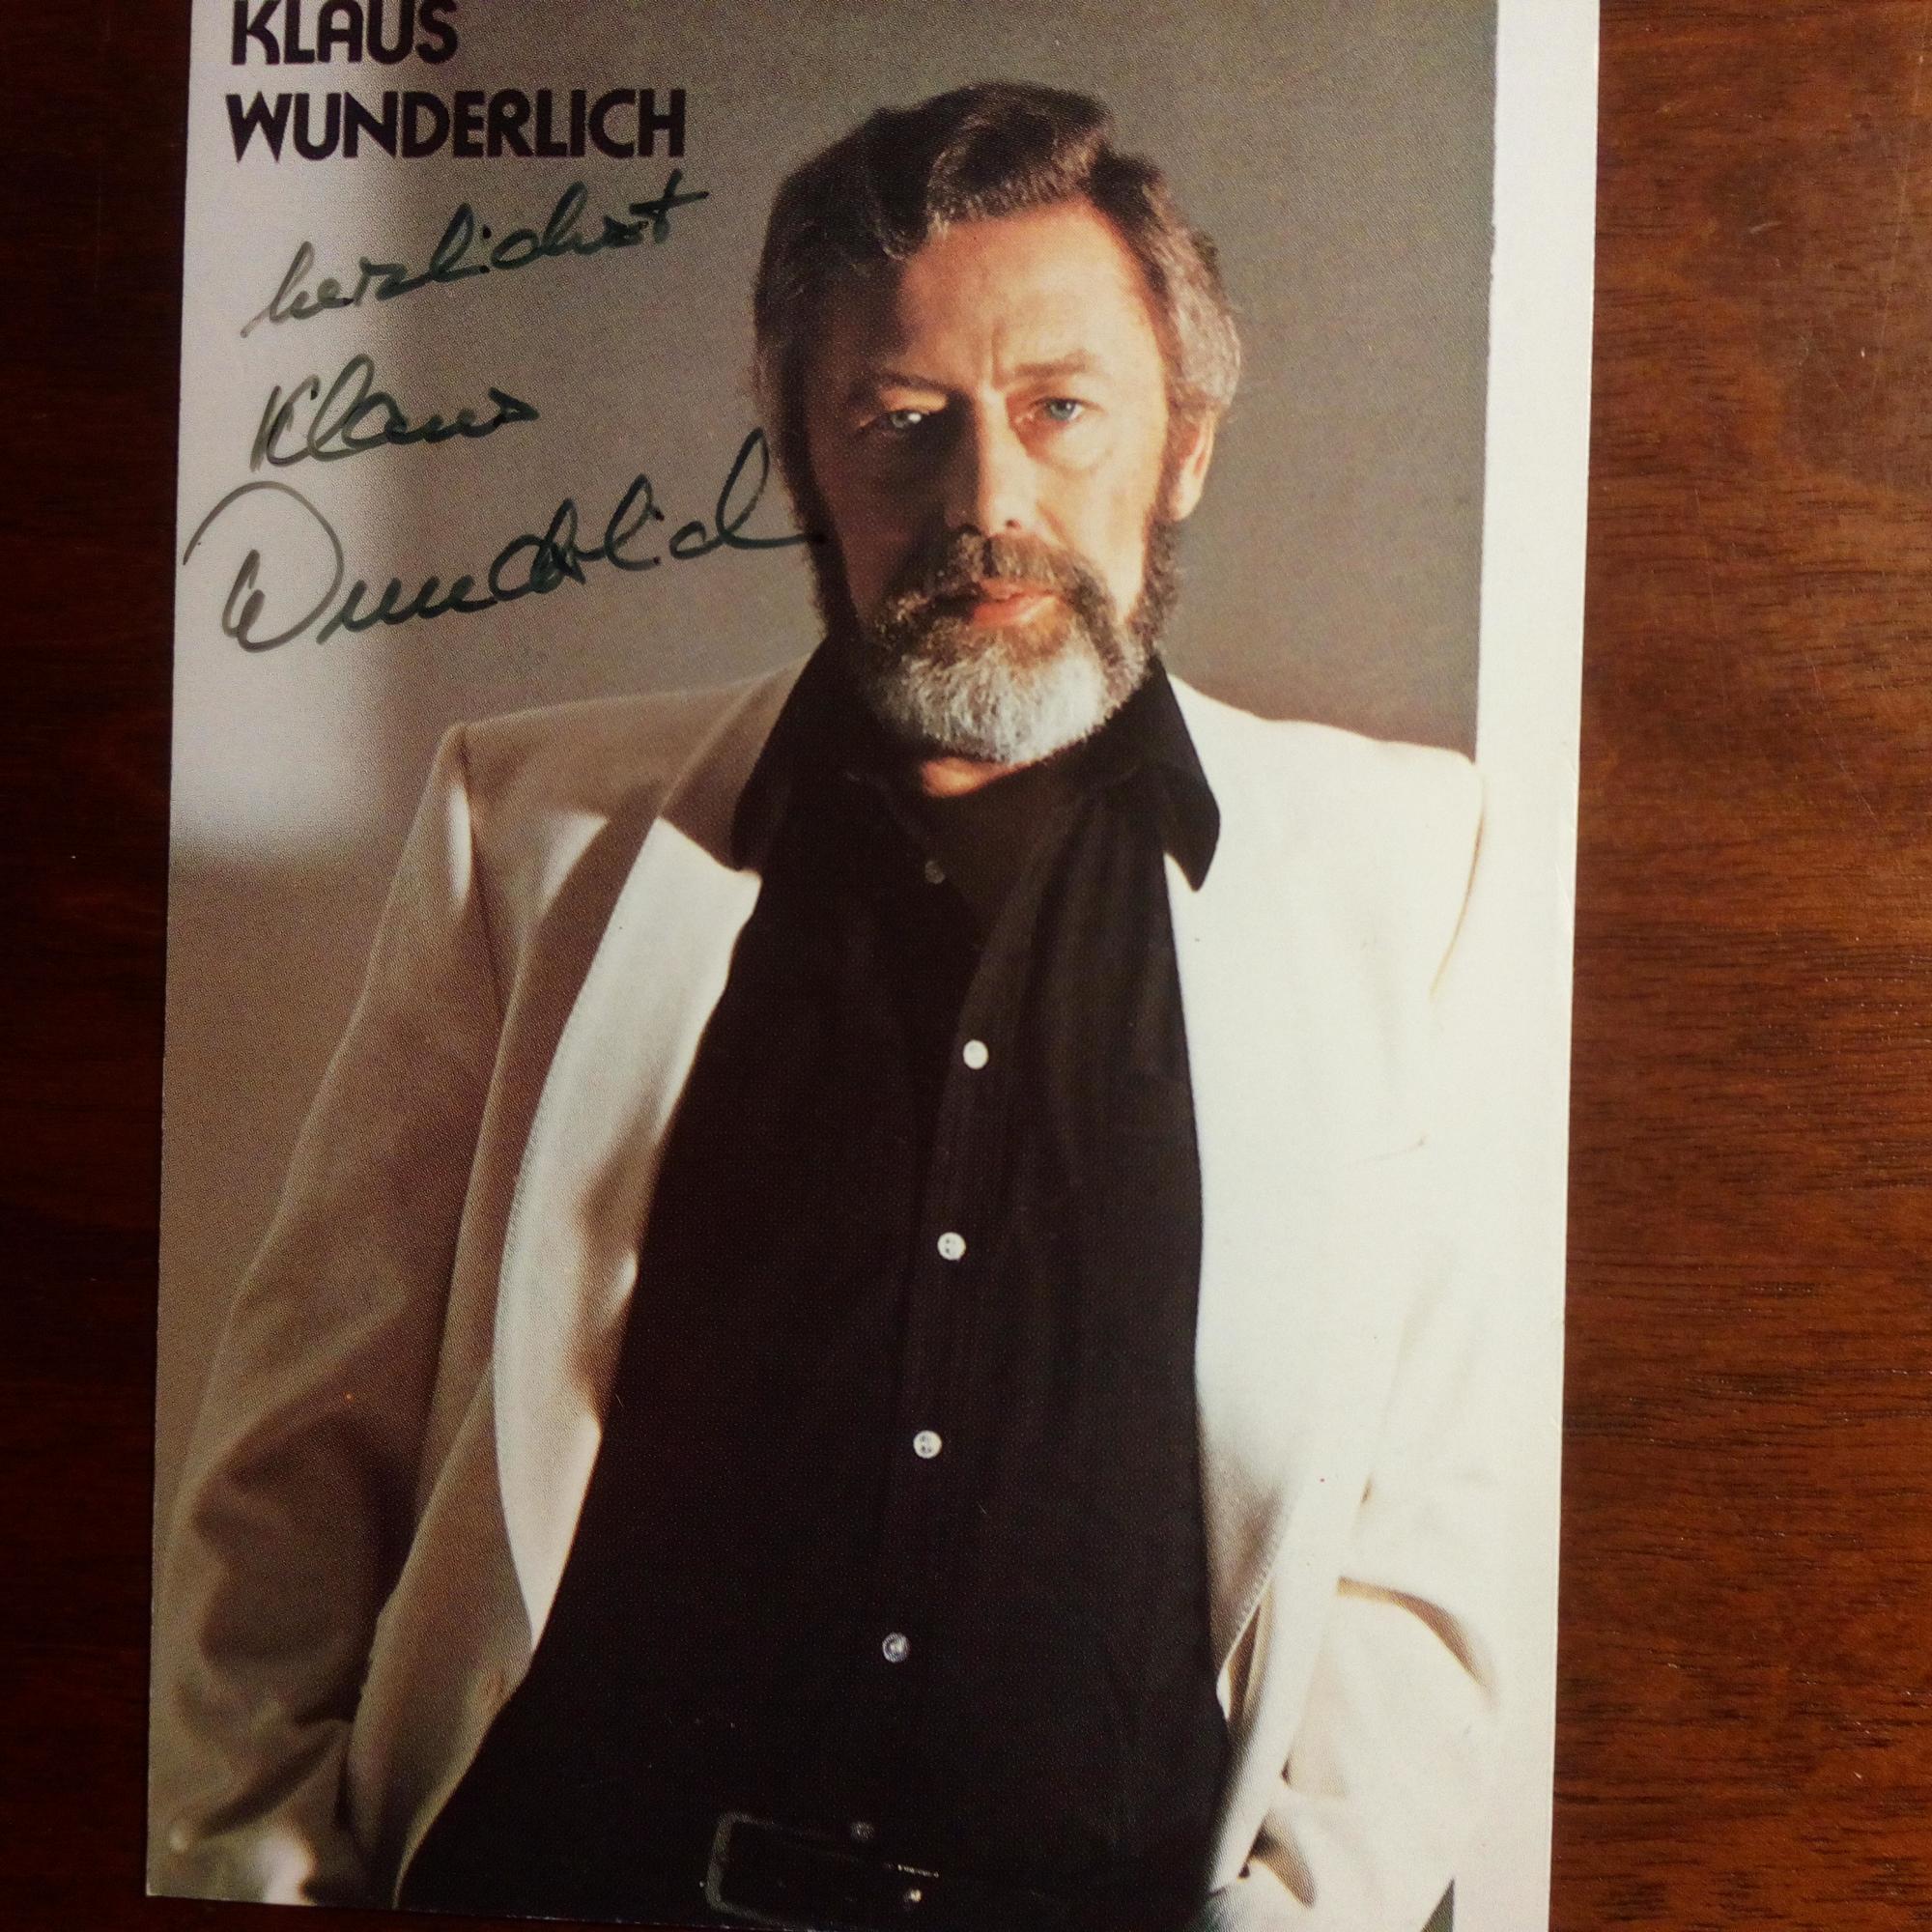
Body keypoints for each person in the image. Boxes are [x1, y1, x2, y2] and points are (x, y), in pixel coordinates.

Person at [153, 80, 1510, 1932]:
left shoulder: (1410, 873)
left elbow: (1429, 1545)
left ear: (1184, 445)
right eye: (900, 421)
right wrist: (257, 1881)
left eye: (1061, 409)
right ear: (804, 462)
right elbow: (294, 1467)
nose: (987, 501)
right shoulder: (530, 836)